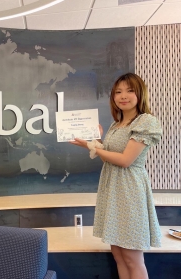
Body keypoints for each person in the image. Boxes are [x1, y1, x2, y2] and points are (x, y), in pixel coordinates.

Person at [70, 73, 162, 279]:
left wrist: (91, 146)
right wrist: (96, 141)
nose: (123, 96)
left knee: (132, 258)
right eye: (118, 91)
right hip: (112, 189)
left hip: (130, 191)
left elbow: (125, 160)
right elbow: (107, 160)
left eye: (129, 90)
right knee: (119, 255)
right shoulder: (115, 124)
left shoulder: (146, 121)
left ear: (140, 93)